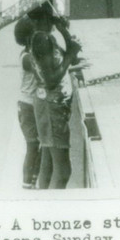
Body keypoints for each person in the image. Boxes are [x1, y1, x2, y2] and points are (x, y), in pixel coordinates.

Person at [28, 25, 82, 190]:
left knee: (49, 165)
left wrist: (65, 33)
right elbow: (51, 80)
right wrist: (71, 53)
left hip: (51, 106)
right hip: (52, 109)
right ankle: (51, 204)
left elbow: (70, 60)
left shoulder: (48, 36)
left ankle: (44, 201)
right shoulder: (43, 39)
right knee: (63, 171)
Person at [13, 17, 41, 189]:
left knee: (38, 145)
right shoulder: (27, 57)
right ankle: (26, 184)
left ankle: (33, 180)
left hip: (32, 105)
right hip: (27, 106)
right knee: (32, 145)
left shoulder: (31, 54)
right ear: (30, 36)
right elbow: (43, 71)